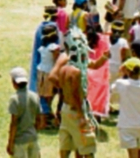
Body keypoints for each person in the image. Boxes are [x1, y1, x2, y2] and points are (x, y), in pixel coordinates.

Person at [49, 30, 97, 158]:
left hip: (65, 108)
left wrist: (65, 89)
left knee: (66, 145)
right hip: (75, 111)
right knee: (87, 146)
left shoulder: (65, 68)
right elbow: (76, 95)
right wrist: (82, 115)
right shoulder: (75, 71)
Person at [111, 58, 140, 158]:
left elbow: (111, 90)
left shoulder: (121, 84)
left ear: (128, 71)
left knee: (132, 155)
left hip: (127, 125)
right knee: (139, 153)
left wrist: (120, 74)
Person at [6, 68, 40, 158]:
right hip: (33, 137)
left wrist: (10, 142)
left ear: (14, 82)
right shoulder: (34, 96)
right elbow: (39, 119)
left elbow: (14, 123)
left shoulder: (14, 99)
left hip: (20, 140)